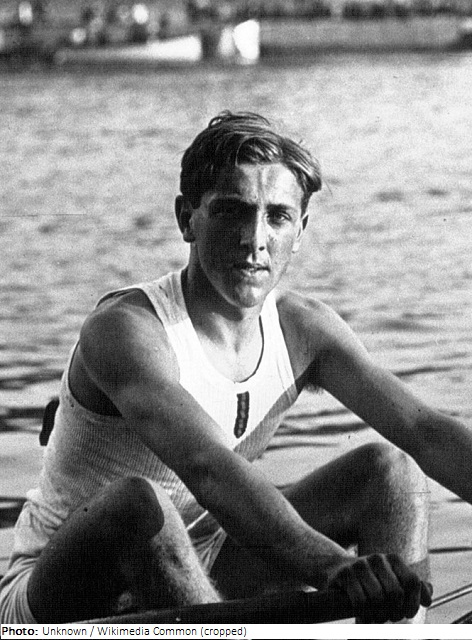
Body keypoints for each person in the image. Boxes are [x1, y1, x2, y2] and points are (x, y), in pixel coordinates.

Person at [1, 111, 471, 625]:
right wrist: (335, 566)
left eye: (278, 217)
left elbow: (424, 431)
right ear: (187, 219)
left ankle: (399, 634)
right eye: (233, 211)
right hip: (56, 595)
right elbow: (207, 466)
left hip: (204, 560)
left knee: (389, 472)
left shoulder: (304, 328)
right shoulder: (127, 328)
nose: (255, 239)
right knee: (139, 505)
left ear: (301, 230)